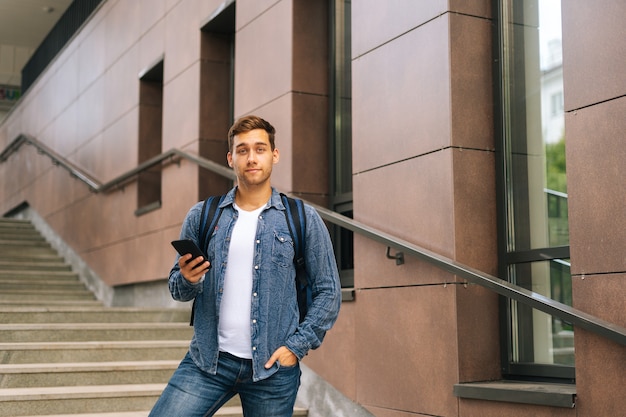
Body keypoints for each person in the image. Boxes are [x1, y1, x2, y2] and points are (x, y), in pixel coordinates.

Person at [149, 115, 342, 417]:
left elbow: (329, 290)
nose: (251, 158)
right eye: (242, 150)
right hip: (208, 362)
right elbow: (178, 288)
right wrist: (187, 279)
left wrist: (296, 347)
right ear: (230, 159)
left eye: (260, 149)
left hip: (272, 369)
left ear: (274, 155)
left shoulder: (301, 218)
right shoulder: (203, 216)